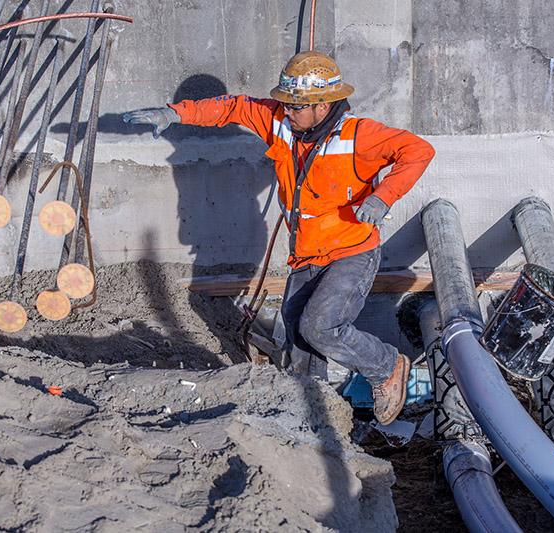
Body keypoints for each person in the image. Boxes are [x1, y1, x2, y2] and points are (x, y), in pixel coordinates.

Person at [124, 51, 434, 424]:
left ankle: (386, 366)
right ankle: (313, 409)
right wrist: (176, 113)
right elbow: (233, 108)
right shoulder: (280, 121)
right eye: (285, 104)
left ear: (323, 106)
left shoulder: (359, 136)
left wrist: (382, 197)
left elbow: (418, 150)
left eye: (296, 107)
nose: (286, 111)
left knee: (321, 326)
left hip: (351, 251)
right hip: (306, 253)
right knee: (296, 330)